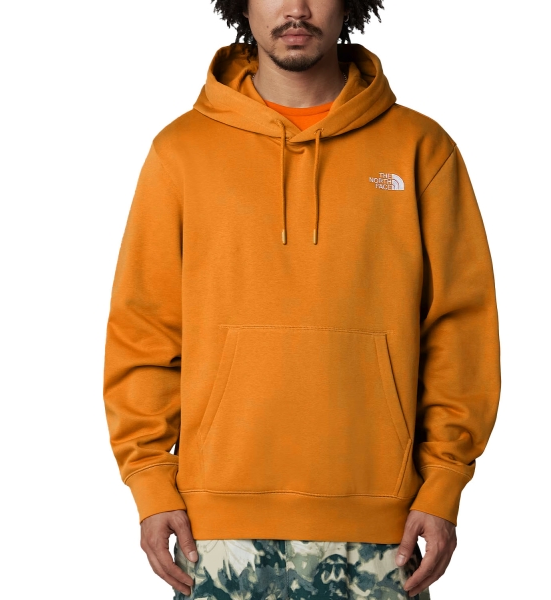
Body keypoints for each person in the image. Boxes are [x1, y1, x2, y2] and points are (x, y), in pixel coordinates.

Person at [102, 1, 501, 598]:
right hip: (215, 527)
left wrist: (443, 482)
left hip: (384, 524)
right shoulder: (181, 151)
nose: (296, 8)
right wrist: (150, 481)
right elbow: (144, 331)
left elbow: (459, 331)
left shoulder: (420, 147)